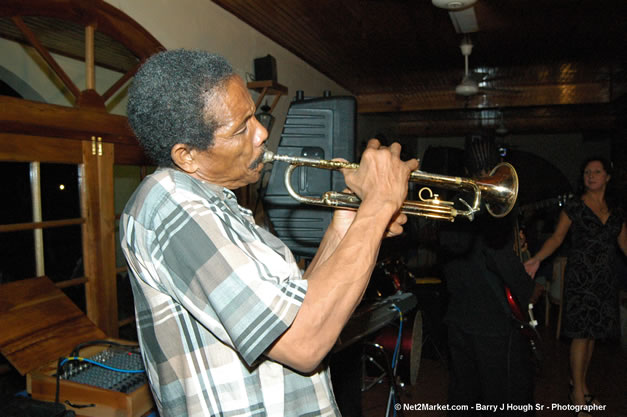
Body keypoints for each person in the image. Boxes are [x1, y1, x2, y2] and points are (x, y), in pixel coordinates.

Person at [119, 49, 418, 417]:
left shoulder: (220, 205)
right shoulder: (171, 203)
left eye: (254, 116)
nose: (261, 133)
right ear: (188, 156)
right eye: (241, 128)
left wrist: (348, 220)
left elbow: (298, 309)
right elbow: (303, 342)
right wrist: (379, 205)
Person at [439, 136, 543, 415]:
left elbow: (456, 254)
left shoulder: (455, 200)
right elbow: (501, 260)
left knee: (464, 396)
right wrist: (529, 288)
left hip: (458, 316)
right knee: (504, 398)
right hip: (493, 323)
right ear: (497, 165)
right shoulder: (494, 202)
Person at [524, 157, 627, 415]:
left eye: (596, 172)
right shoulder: (575, 207)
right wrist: (536, 259)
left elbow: (625, 245)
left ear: (607, 177)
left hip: (605, 279)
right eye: (586, 172)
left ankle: (579, 385)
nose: (590, 176)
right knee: (581, 334)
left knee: (592, 335)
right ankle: (578, 394)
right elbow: (557, 238)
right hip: (581, 278)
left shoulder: (616, 209)